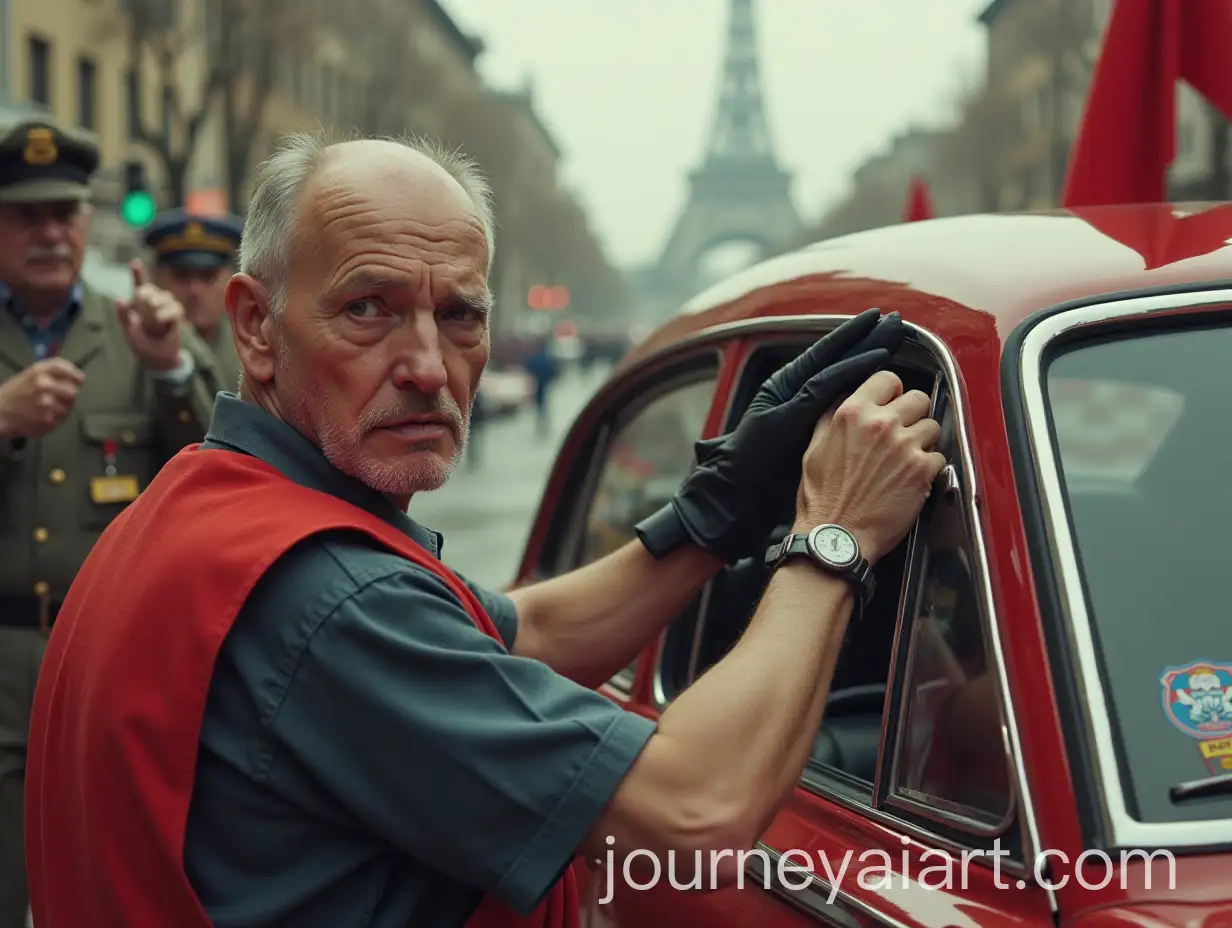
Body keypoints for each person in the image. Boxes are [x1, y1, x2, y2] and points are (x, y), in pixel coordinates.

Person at [25, 129, 944, 927]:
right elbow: (700, 810)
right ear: (257, 328)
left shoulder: (209, 510)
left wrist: (708, 518)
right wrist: (833, 536)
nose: (429, 365)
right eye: (368, 309)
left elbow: (517, 634)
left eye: (460, 314)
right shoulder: (331, 602)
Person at [0, 114, 220, 927]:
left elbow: (219, 474)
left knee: (109, 890)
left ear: (87, 222)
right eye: (27, 216)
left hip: (107, 662)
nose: (50, 232)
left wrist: (168, 370)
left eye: (65, 213)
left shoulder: (139, 330)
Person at [144, 207, 245, 392]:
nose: (195, 291)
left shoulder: (250, 354)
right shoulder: (135, 349)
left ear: (231, 279)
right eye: (181, 275)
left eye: (208, 276)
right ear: (156, 278)